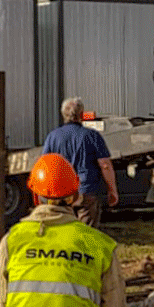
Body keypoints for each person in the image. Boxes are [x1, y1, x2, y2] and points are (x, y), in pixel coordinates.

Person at [0, 153, 128, 307]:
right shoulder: (96, 242)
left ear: (35, 196)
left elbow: (1, 303)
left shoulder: (14, 239)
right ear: (74, 196)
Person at [41, 97, 119, 229]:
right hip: (85, 191)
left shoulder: (52, 137)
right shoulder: (92, 136)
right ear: (82, 114)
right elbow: (105, 165)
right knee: (85, 233)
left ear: (63, 115)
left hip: (61, 192)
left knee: (64, 231)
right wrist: (112, 190)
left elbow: (45, 165)